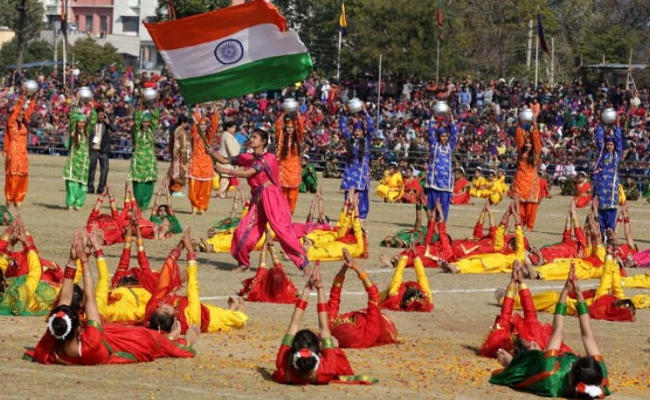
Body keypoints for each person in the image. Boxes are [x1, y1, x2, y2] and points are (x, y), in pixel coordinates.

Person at [25, 229, 198, 365]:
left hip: (118, 326)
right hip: (128, 339)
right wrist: (86, 259)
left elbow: (65, 301)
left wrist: (73, 259)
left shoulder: (55, 334)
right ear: (79, 329)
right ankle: (177, 338)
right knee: (160, 341)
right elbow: (93, 294)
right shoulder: (91, 338)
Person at [489, 268, 611, 399]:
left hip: (534, 371)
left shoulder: (551, 373)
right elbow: (588, 336)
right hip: (555, 361)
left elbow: (557, 331)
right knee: (538, 345)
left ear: (571, 377)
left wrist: (565, 292)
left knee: (530, 351)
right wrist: (579, 294)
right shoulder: (599, 380)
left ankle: (512, 361)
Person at [212, 129, 311, 275]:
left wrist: (225, 171)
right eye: (251, 137)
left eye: (255, 137)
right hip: (258, 199)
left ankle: (304, 263)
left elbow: (248, 173)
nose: (251, 139)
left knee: (282, 231)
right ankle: (243, 263)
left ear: (263, 141)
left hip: (272, 197)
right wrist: (211, 152)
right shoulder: (248, 157)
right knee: (243, 230)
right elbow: (224, 160)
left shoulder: (269, 158)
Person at [271, 265, 377, 384]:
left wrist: (308, 288)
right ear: (319, 354)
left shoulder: (284, 367)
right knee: (332, 341)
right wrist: (319, 289)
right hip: (363, 331)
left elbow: (296, 324)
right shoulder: (328, 369)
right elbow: (320, 328)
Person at [145, 229, 249, 334]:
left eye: (159, 308)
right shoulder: (190, 319)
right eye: (166, 309)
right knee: (241, 319)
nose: (162, 305)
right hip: (210, 319)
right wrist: (190, 252)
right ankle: (236, 305)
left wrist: (179, 247)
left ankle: (231, 307)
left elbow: (164, 278)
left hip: (197, 307)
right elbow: (193, 287)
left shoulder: (153, 307)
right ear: (174, 318)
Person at [481, 261, 572, 359]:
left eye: (530, 346)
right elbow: (530, 314)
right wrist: (521, 283)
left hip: (512, 342)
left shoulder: (500, 343)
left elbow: (505, 316)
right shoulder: (537, 340)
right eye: (534, 345)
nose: (533, 343)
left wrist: (513, 283)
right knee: (553, 298)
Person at [325, 249, 398, 348]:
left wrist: (345, 267)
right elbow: (374, 295)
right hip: (383, 326)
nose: (342, 319)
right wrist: (356, 267)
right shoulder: (370, 328)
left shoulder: (333, 324)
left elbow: (334, 296)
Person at [0, 216, 61, 316]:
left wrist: (10, 240)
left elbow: (1, 264)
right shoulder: (21, 292)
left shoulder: (5, 296)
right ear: (3, 282)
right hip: (50, 297)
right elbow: (36, 271)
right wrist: (27, 243)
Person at [339, 105, 375, 221]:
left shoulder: (366, 141)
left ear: (363, 132)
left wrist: (365, 112)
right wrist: (345, 112)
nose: (357, 133)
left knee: (361, 194)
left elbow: (371, 127)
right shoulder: (350, 140)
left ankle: (361, 216)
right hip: (350, 173)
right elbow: (342, 126)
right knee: (348, 195)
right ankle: (348, 215)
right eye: (355, 130)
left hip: (361, 174)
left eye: (360, 130)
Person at [4, 90, 37, 208]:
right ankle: (9, 197)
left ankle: (18, 198)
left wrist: (32, 98)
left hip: (23, 153)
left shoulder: (24, 123)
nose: (21, 114)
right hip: (13, 152)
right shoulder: (11, 123)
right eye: (19, 112)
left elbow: (30, 110)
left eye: (22, 112)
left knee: (22, 175)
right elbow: (16, 113)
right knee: (12, 175)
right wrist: (22, 100)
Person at [424, 111, 458, 221]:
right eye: (442, 136)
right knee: (432, 204)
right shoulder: (434, 145)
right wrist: (433, 116)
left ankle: (442, 224)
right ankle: (432, 223)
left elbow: (455, 134)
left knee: (444, 204)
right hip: (434, 180)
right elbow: (430, 132)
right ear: (439, 136)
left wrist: (451, 118)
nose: (444, 138)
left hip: (446, 182)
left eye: (446, 136)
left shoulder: (449, 146)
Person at [592, 119, 622, 240]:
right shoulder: (602, 154)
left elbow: (619, 141)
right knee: (600, 213)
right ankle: (602, 235)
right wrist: (601, 125)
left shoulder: (616, 155)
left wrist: (617, 127)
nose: (609, 146)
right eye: (608, 144)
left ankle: (610, 236)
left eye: (611, 144)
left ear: (614, 146)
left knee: (611, 213)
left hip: (612, 191)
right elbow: (599, 140)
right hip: (601, 189)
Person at [512, 115, 542, 232]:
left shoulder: (536, 152)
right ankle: (520, 224)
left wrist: (534, 125)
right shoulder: (521, 150)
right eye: (526, 143)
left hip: (531, 182)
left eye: (530, 143)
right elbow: (519, 136)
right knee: (520, 206)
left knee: (531, 206)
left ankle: (529, 226)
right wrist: (520, 123)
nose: (528, 145)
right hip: (520, 180)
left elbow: (536, 139)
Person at [128, 104, 159, 210]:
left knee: (149, 182)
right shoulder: (137, 131)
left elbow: (155, 118)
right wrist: (141, 102)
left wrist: (156, 102)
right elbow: (137, 118)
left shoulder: (151, 131)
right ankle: (137, 203)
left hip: (149, 159)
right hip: (139, 159)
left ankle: (145, 204)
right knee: (138, 183)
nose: (146, 124)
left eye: (148, 122)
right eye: (144, 122)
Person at [188, 107, 218, 213]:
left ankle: (202, 206)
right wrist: (197, 112)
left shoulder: (208, 137)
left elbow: (214, 126)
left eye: (205, 125)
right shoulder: (195, 136)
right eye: (201, 125)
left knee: (206, 187)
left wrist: (213, 113)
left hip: (206, 163)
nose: (203, 126)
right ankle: (194, 206)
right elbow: (194, 127)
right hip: (196, 162)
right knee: (194, 185)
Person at [275, 112, 305, 213]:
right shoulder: (281, 137)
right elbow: (278, 125)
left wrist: (297, 113)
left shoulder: (298, 137)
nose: (290, 129)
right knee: (282, 194)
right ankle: (282, 212)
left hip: (294, 170)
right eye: (288, 127)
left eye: (292, 127)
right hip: (283, 169)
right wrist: (284, 113)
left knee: (292, 195)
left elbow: (301, 125)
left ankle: (289, 212)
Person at [63, 112, 91, 211]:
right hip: (73, 161)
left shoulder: (87, 132)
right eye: (79, 122)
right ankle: (70, 203)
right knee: (71, 182)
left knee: (82, 185)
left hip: (83, 162)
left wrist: (92, 106)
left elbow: (93, 119)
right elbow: (72, 118)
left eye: (83, 122)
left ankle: (78, 203)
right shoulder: (73, 131)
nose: (81, 124)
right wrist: (75, 104)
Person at [86, 105, 116, 195]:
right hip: (93, 149)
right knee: (91, 169)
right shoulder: (91, 123)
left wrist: (108, 122)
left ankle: (101, 188)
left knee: (104, 170)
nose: (101, 116)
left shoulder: (106, 124)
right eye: (99, 115)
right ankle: (90, 187)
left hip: (104, 150)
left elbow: (114, 129)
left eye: (103, 115)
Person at [215, 121, 241, 199]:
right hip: (227, 159)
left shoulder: (227, 135)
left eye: (235, 128)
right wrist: (235, 158)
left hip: (228, 159)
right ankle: (220, 193)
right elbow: (230, 149)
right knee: (225, 177)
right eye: (233, 128)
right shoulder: (227, 136)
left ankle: (223, 193)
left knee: (228, 177)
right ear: (228, 128)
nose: (234, 129)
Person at [167, 113, 192, 197]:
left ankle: (172, 189)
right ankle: (176, 190)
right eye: (186, 122)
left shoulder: (175, 130)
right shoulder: (182, 132)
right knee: (181, 173)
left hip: (175, 154)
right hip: (180, 155)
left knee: (175, 171)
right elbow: (184, 146)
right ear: (183, 122)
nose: (187, 124)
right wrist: (186, 157)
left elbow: (171, 144)